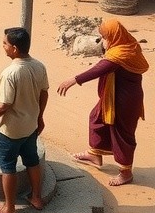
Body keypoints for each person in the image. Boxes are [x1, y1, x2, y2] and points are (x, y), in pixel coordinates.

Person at [57, 18, 148, 186]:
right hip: (113, 96)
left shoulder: (120, 55)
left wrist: (73, 80)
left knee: (122, 134)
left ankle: (126, 173)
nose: (103, 41)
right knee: (97, 118)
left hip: (123, 101)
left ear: (114, 36)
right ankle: (94, 154)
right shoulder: (129, 44)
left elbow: (100, 69)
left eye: (105, 37)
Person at [0, 27, 49, 213]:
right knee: (32, 161)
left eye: (5, 44)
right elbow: (44, 93)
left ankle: (9, 209)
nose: (3, 46)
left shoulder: (10, 73)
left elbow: (4, 105)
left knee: (8, 167)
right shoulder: (39, 66)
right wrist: (40, 117)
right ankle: (36, 197)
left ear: (15, 48)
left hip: (11, 131)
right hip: (31, 126)